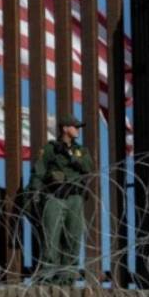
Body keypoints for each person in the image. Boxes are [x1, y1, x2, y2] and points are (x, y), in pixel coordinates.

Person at [26, 115, 94, 285]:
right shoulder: (50, 149)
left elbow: (88, 167)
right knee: (51, 238)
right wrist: (34, 195)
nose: (77, 130)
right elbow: (38, 172)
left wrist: (71, 157)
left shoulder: (81, 150)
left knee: (73, 239)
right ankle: (48, 278)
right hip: (54, 197)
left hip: (75, 198)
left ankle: (68, 278)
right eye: (75, 127)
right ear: (65, 128)